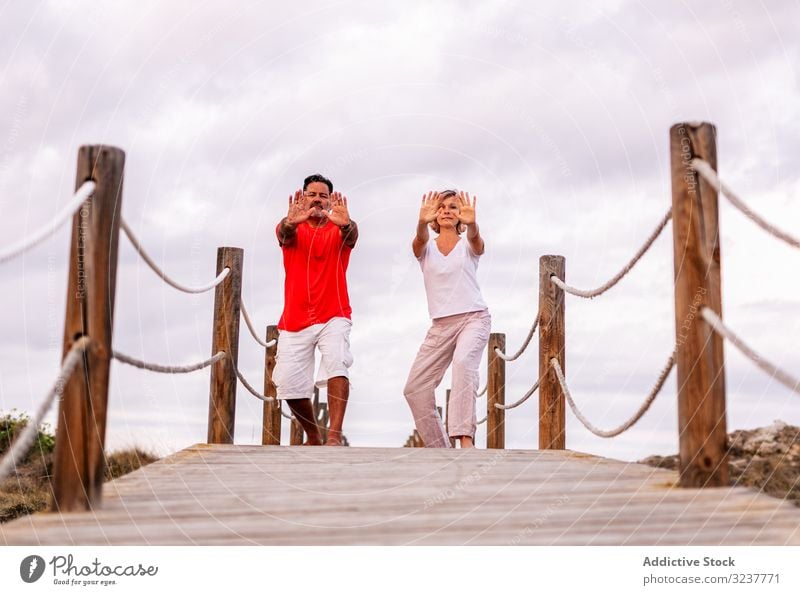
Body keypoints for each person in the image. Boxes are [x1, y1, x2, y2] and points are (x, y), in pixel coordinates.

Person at [273, 173, 358, 446]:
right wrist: (290, 222)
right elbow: (284, 234)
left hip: (335, 313)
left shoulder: (339, 227)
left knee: (336, 362)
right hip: (295, 318)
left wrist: (347, 225)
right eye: (313, 194)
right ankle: (313, 435)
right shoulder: (291, 226)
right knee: (287, 384)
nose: (318, 199)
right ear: (303, 197)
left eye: (323, 195)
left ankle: (334, 434)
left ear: (331, 200)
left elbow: (352, 234)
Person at [403, 190, 491, 448]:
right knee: (415, 388)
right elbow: (418, 242)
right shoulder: (426, 248)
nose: (447, 211)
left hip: (473, 319)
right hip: (440, 326)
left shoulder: (468, 247)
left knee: (463, 363)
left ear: (461, 216)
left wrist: (473, 224)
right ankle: (440, 449)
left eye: (453, 207)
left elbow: (477, 242)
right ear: (433, 215)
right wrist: (420, 223)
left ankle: (465, 438)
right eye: (441, 207)